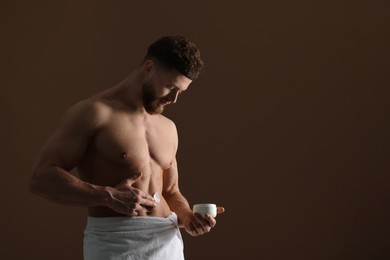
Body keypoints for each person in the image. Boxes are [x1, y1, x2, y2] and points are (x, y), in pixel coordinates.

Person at [29, 35, 225, 260]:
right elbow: (40, 179)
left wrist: (188, 218)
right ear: (149, 68)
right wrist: (107, 196)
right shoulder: (94, 113)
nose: (174, 99)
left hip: (168, 244)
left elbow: (171, 191)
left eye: (181, 92)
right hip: (116, 244)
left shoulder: (168, 127)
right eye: (171, 87)